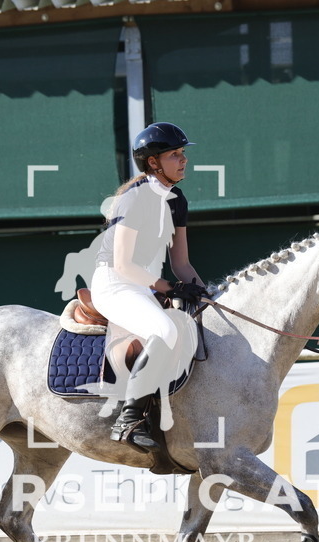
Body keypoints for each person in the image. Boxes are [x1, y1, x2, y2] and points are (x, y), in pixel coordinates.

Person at [89, 122, 208, 452]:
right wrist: (168, 288)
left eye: (183, 153)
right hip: (114, 283)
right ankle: (128, 420)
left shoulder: (177, 200)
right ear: (153, 162)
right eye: (175, 154)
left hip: (145, 286)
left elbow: (181, 264)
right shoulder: (134, 199)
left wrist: (206, 295)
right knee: (165, 330)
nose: (183, 160)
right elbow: (124, 264)